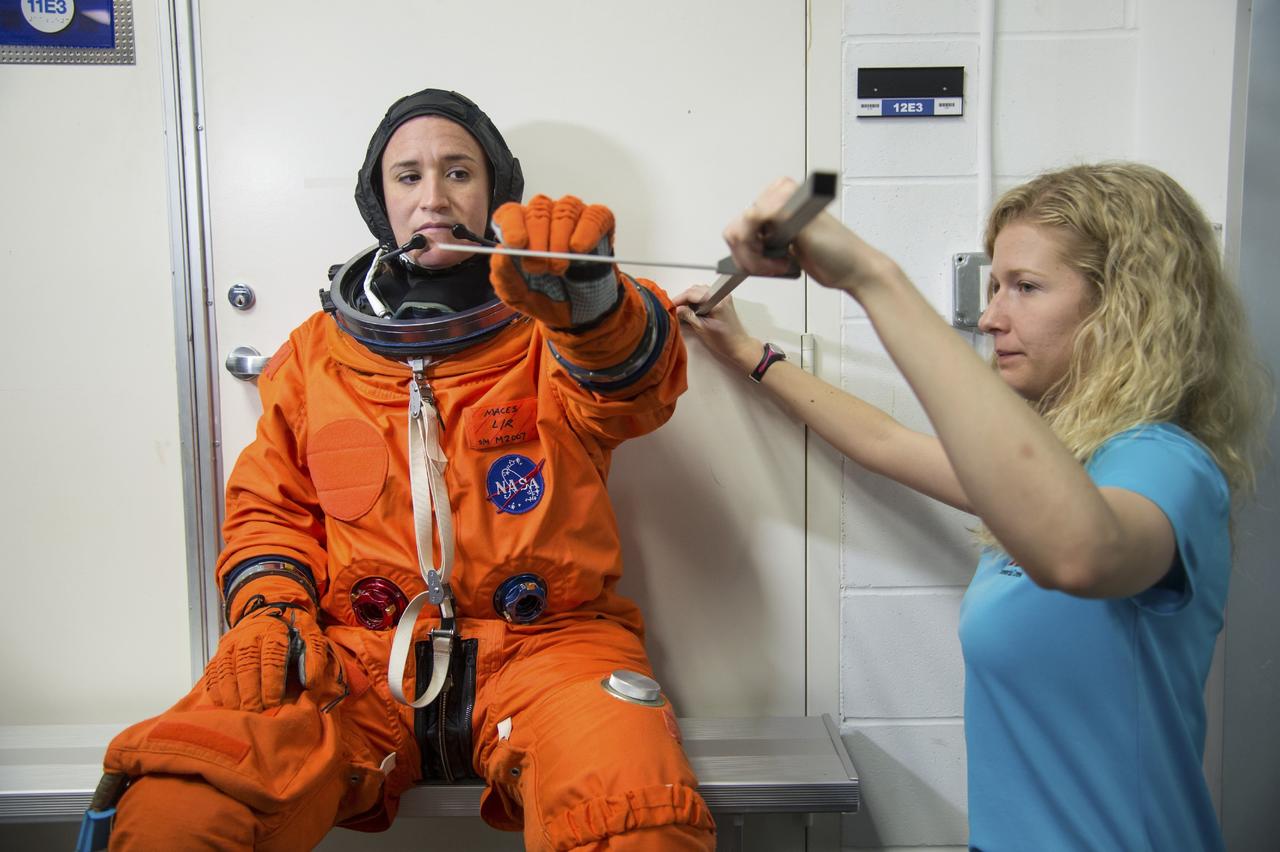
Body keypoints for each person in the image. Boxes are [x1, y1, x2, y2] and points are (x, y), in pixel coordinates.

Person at [91, 88, 715, 851]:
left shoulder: (550, 334)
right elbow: (271, 508)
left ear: (494, 192)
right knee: (178, 806)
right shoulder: (316, 357)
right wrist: (271, 609)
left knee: (635, 819)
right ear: (377, 200)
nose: (434, 197)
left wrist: (591, 307)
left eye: (459, 172)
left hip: (548, 646)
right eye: (408, 176)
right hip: (352, 655)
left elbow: (631, 392)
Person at [675, 162, 1270, 850]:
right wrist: (750, 353)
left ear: (1127, 304)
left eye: (1025, 286)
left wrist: (874, 278)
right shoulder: (1065, 465)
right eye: (994, 285)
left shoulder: (1166, 463)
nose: (990, 316)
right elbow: (885, 441)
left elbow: (1080, 552)